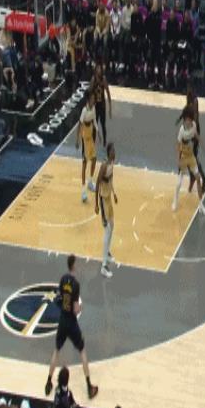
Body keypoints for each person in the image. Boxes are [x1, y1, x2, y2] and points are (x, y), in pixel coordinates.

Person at [45, 255, 99, 399]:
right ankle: (89, 386)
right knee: (82, 351)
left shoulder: (63, 279)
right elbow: (75, 310)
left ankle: (48, 382)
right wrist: (81, 307)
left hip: (63, 320)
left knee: (56, 351)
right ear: (74, 265)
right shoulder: (76, 284)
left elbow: (61, 299)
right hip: (71, 322)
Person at [172, 105, 205, 216]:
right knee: (179, 183)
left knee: (198, 178)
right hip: (183, 157)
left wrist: (202, 144)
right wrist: (178, 159)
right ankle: (175, 200)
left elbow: (196, 135)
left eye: (190, 119)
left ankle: (201, 205)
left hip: (191, 156)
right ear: (184, 119)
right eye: (187, 119)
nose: (188, 121)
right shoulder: (181, 131)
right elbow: (178, 145)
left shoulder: (194, 125)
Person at [95, 143, 118, 278]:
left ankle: (107, 253)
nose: (115, 152)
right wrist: (96, 205)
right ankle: (103, 266)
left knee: (112, 225)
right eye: (113, 151)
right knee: (107, 229)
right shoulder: (104, 166)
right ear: (109, 153)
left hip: (109, 198)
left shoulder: (112, 163)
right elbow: (98, 184)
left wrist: (114, 193)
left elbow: (111, 180)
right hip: (103, 199)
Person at [76, 91, 100, 203]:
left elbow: (94, 121)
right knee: (85, 164)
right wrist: (77, 140)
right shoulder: (84, 111)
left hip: (90, 137)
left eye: (94, 98)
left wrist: (98, 132)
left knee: (94, 159)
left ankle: (90, 182)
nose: (94, 100)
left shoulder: (93, 108)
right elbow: (79, 124)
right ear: (88, 99)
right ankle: (83, 192)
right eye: (92, 98)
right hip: (85, 138)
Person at [90, 63, 112, 147]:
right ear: (96, 70)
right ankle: (93, 142)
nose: (99, 70)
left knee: (103, 125)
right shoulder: (93, 79)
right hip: (95, 105)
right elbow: (90, 92)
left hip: (102, 105)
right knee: (94, 125)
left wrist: (110, 108)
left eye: (100, 69)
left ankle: (104, 141)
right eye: (98, 69)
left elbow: (108, 93)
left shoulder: (104, 79)